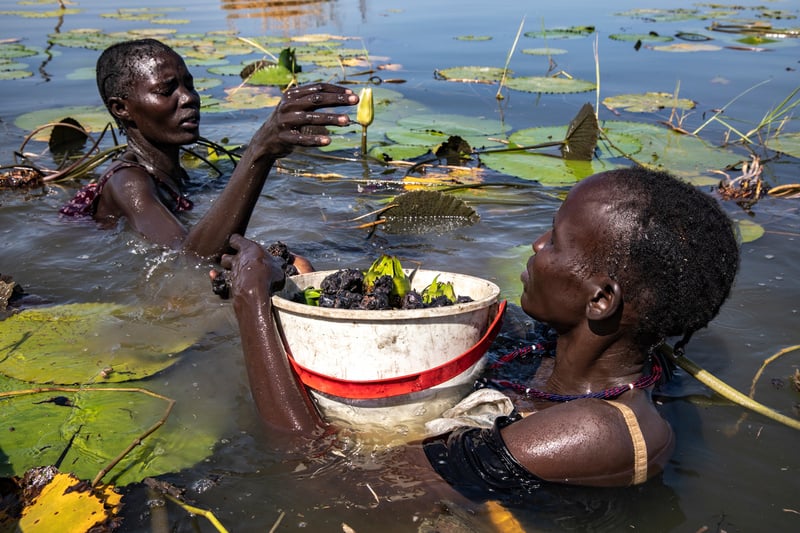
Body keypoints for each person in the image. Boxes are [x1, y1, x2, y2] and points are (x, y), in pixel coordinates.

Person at [217, 166, 740, 497]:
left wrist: (252, 313)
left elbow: (330, 474)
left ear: (600, 300)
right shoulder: (544, 346)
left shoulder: (602, 432)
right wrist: (297, 282)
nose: (536, 245)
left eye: (555, 241)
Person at [60, 38, 358, 263]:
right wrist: (260, 150)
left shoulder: (175, 174)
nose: (189, 98)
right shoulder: (129, 184)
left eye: (189, 85)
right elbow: (190, 259)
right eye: (167, 91)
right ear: (121, 109)